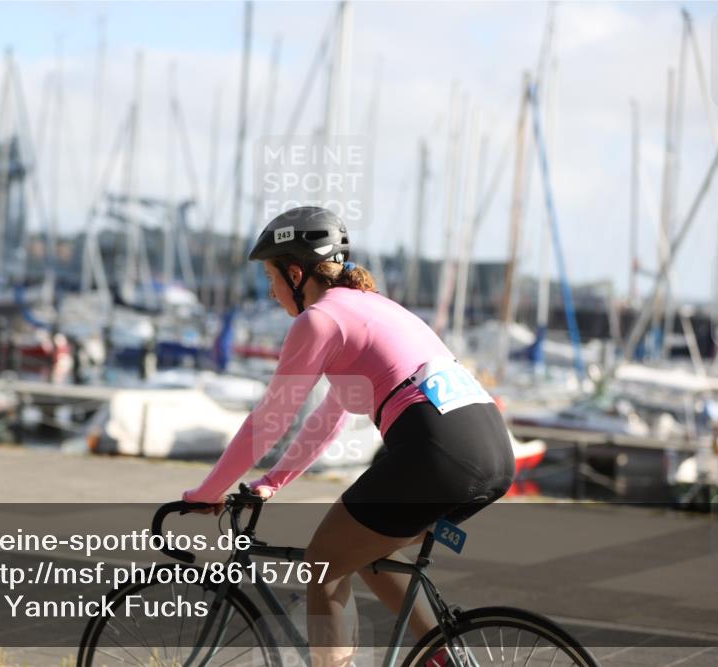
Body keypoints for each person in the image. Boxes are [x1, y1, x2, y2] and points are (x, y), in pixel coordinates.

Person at [182, 206, 515, 667]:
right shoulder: (377, 308)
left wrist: (208, 491)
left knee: (322, 563)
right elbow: (331, 416)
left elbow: (269, 420)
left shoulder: (319, 320)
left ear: (296, 273)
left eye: (272, 278)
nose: (273, 293)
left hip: (435, 451)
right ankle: (443, 661)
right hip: (491, 450)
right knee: (371, 556)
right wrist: (274, 481)